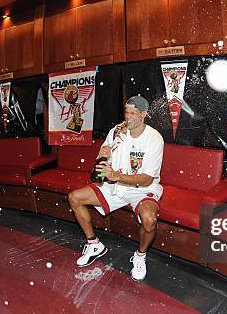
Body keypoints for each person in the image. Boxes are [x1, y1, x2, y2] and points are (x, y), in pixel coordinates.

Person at [68, 96, 164, 281]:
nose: (128, 117)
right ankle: (94, 244)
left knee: (149, 220)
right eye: (126, 112)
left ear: (144, 115)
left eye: (133, 114)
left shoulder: (154, 138)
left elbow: (146, 180)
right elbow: (102, 163)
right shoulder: (116, 131)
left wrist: (116, 176)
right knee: (75, 198)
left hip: (140, 189)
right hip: (115, 186)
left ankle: (140, 255)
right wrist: (101, 156)